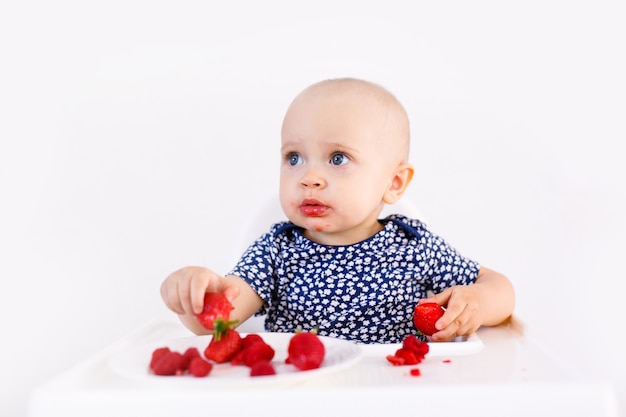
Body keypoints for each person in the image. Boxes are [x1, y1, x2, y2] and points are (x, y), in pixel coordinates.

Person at [160, 77, 515, 344]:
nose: (309, 178)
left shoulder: (413, 246)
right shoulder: (276, 250)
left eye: (338, 158)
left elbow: (501, 289)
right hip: (301, 394)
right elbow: (219, 319)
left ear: (393, 182)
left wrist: (477, 302)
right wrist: (193, 296)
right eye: (293, 158)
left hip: (398, 392)